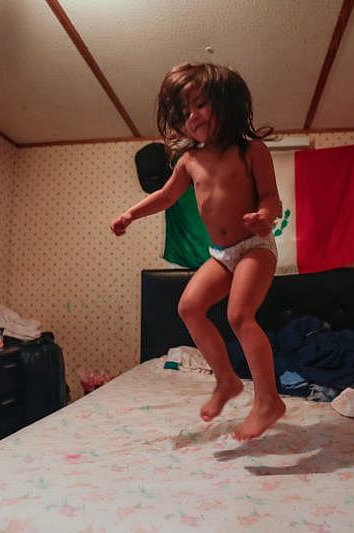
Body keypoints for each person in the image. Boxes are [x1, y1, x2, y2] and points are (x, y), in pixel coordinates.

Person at [110, 63, 285, 440]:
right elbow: (165, 196)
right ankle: (226, 381)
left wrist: (265, 217)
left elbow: (272, 197)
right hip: (221, 253)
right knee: (188, 307)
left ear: (227, 103)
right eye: (182, 113)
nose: (191, 117)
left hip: (255, 246)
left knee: (240, 315)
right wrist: (130, 214)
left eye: (200, 105)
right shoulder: (189, 160)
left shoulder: (250, 150)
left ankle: (268, 400)